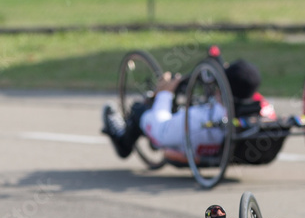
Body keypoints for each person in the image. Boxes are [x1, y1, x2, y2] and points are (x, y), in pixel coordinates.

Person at [102, 58, 276, 162]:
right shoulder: (266, 111)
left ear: (222, 88)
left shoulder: (201, 119)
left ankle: (122, 140)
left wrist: (165, 93)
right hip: (224, 144)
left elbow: (161, 131)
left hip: (191, 140)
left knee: (139, 110)